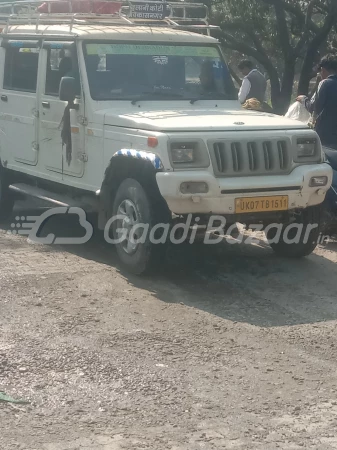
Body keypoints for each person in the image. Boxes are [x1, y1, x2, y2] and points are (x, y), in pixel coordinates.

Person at [297, 53, 337, 149]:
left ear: (322, 70)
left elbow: (313, 107)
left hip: (326, 138)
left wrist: (303, 99)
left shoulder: (325, 83)